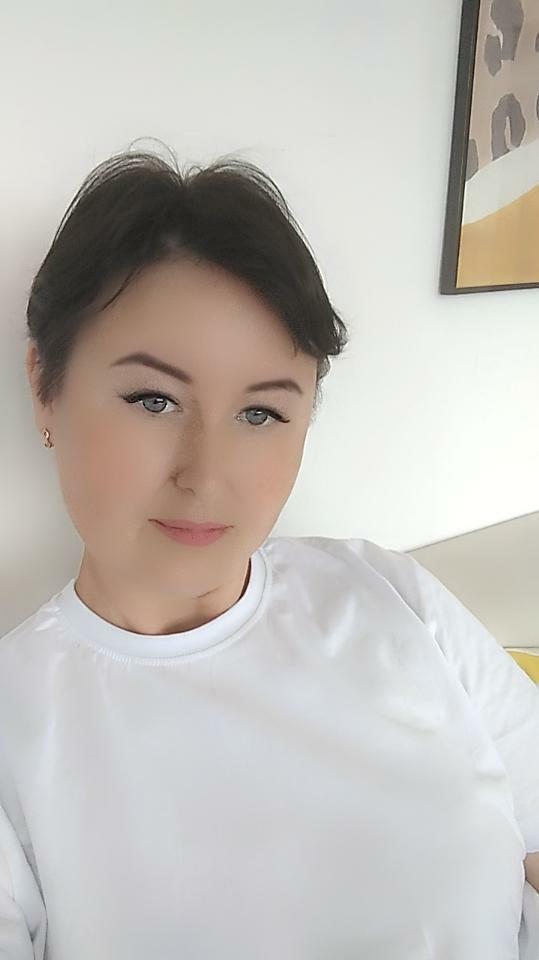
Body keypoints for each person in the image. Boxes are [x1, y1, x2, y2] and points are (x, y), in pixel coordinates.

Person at [1, 142, 538, 959]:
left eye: (260, 413)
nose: (204, 476)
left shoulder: (386, 593)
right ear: (45, 385)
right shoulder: (17, 726)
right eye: (153, 399)